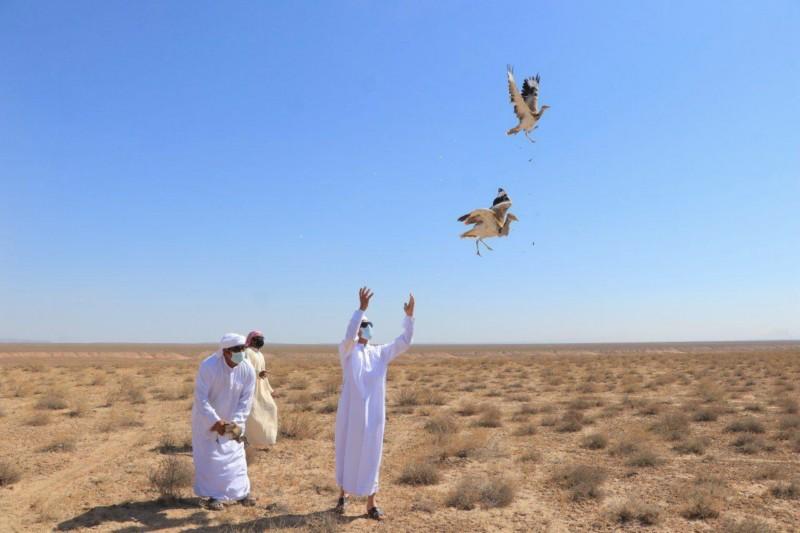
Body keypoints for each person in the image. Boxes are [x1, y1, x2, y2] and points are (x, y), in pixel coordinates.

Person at [334, 287, 415, 520]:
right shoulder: (347, 352)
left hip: (375, 415)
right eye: (364, 325)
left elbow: (405, 342)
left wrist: (409, 317)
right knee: (347, 451)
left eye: (369, 326)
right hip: (351, 413)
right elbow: (349, 337)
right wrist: (360, 310)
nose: (367, 329)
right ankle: (343, 495)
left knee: (372, 454)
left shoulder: (380, 353)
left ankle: (371, 503)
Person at [191, 333, 257, 510]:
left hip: (233, 420)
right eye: (237, 349)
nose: (242, 352)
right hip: (206, 420)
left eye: (243, 348)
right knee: (211, 459)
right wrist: (215, 421)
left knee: (236, 455)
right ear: (226, 351)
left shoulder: (247, 369)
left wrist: (236, 423)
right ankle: (214, 496)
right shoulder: (209, 366)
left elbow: (246, 400)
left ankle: (242, 493)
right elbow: (201, 397)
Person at [243, 330, 278, 448]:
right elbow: (245, 370)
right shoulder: (247, 352)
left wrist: (270, 390)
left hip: (262, 389)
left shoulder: (260, 354)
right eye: (258, 338)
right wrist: (258, 373)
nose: (260, 340)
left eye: (262, 338)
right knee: (253, 415)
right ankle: (249, 441)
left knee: (271, 408)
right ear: (251, 340)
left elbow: (264, 374)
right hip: (251, 388)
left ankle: (265, 439)